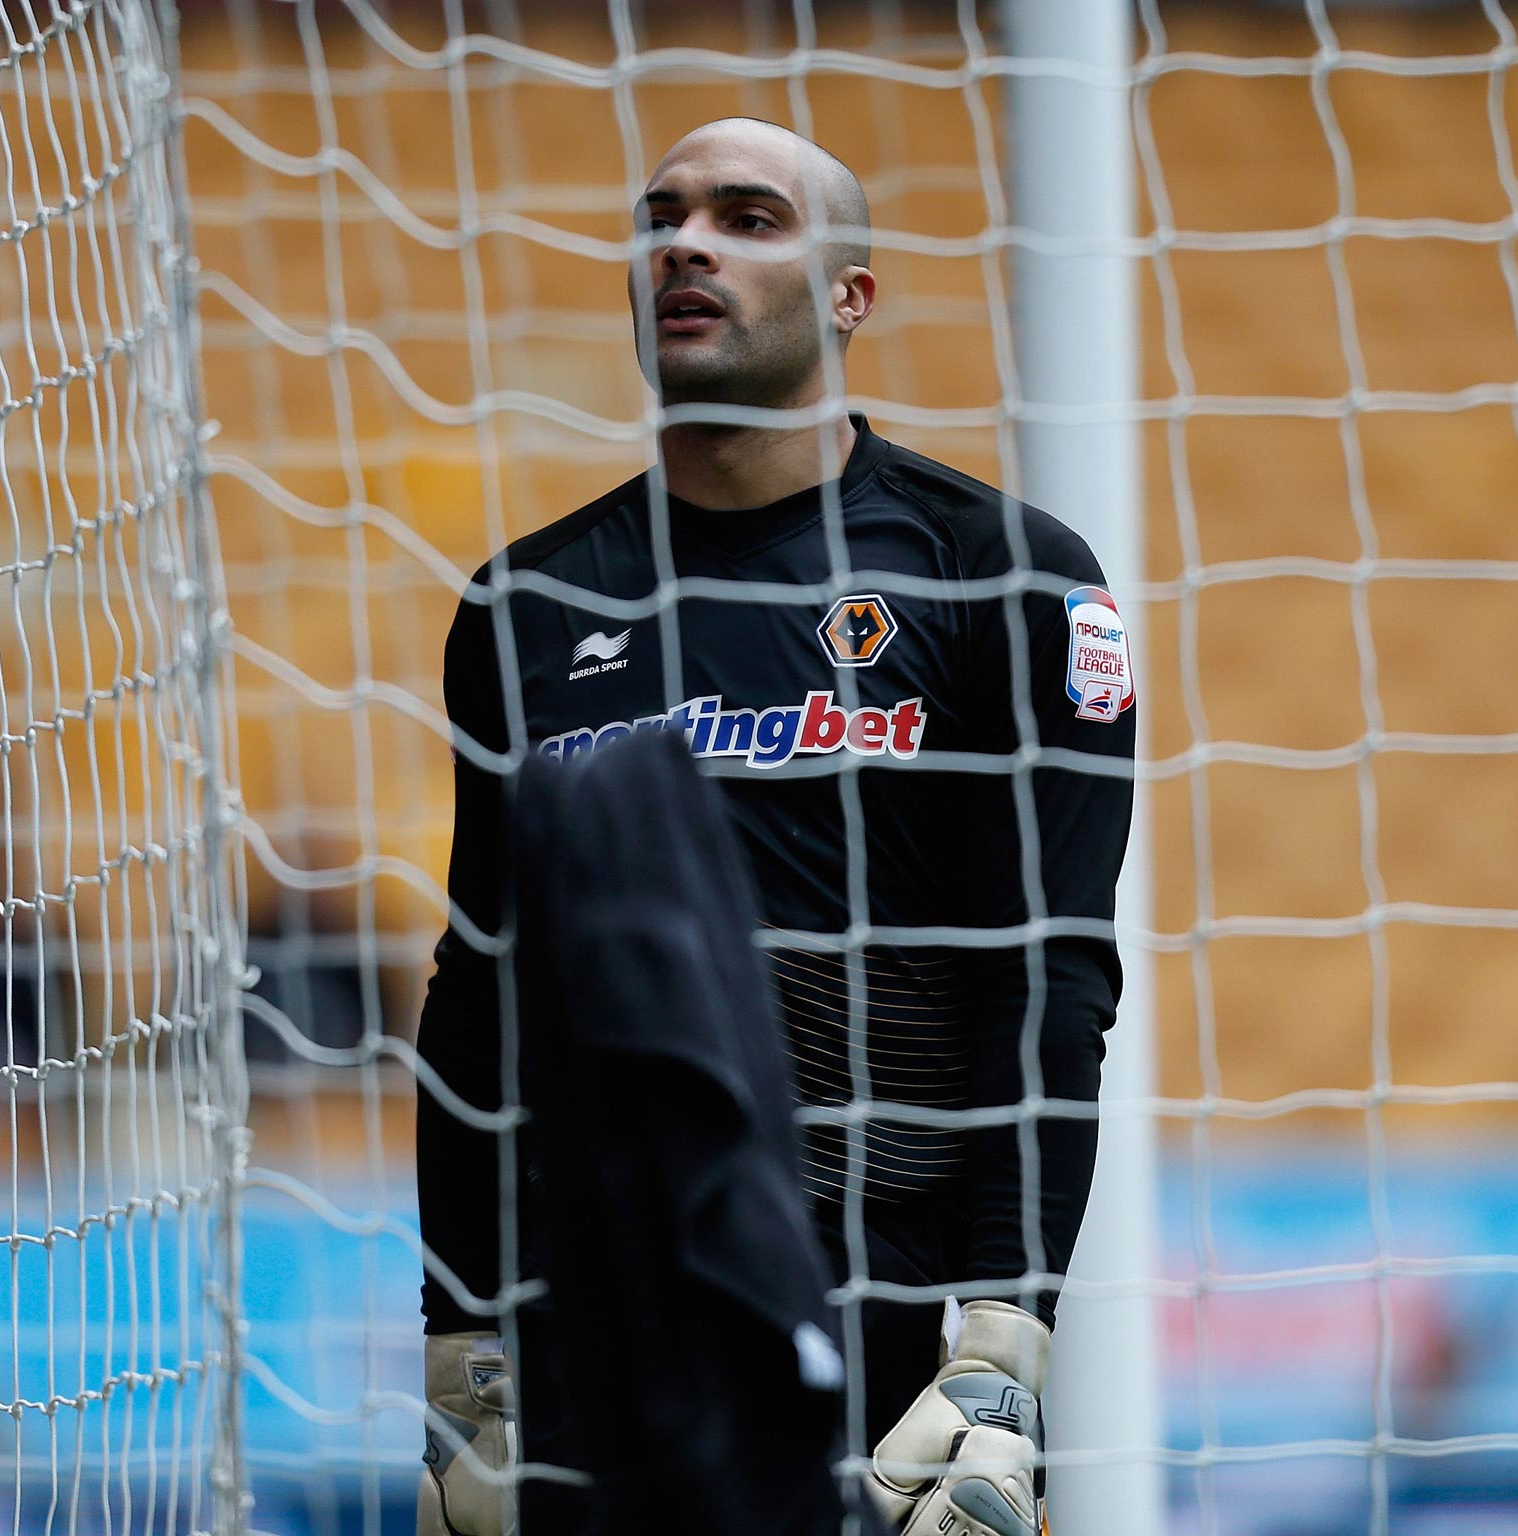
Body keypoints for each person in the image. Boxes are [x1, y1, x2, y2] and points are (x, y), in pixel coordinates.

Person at [415, 117, 1136, 1536]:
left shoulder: (1008, 578)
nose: (686, 243)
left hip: (900, 1320)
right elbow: (478, 997)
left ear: (852, 295)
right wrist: (459, 1353)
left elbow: (1050, 979)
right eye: (662, 218)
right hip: (596, 1322)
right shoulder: (527, 608)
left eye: (749, 218)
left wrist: (1002, 1351)